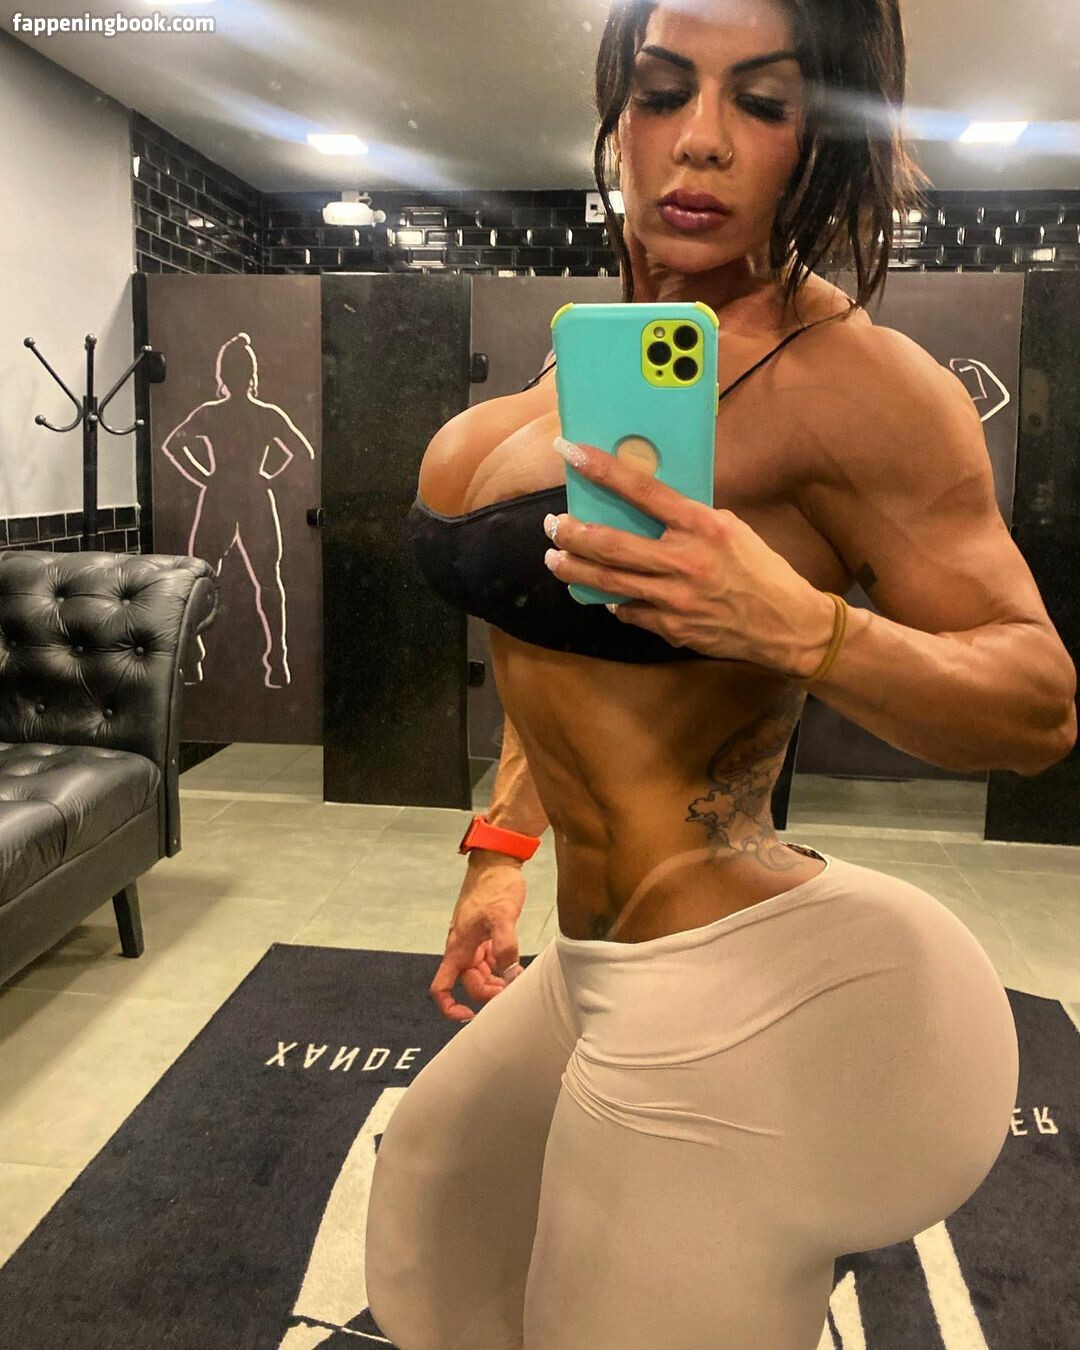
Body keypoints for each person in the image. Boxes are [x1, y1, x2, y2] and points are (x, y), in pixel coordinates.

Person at [365, 2, 1077, 1346]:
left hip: (733, 966)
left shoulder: (858, 388)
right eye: (659, 92)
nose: (698, 141)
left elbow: (1039, 702)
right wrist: (502, 849)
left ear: (825, 138)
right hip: (587, 949)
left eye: (761, 101)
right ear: (615, 120)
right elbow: (561, 631)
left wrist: (800, 626)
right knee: (434, 1237)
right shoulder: (603, 365)